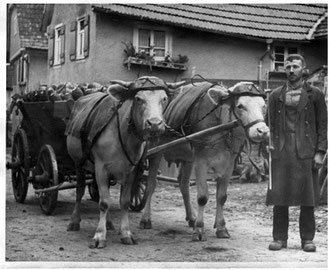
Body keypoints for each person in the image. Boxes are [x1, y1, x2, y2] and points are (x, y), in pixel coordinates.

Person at [266, 54, 327, 252]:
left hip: (306, 151)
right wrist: (267, 145)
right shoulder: (275, 95)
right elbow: (269, 125)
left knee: (307, 198)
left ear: (304, 69)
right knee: (279, 197)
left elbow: (323, 126)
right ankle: (279, 238)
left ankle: (307, 239)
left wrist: (320, 152)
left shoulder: (315, 94)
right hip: (281, 151)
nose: (291, 70)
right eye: (288, 67)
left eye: (295, 67)